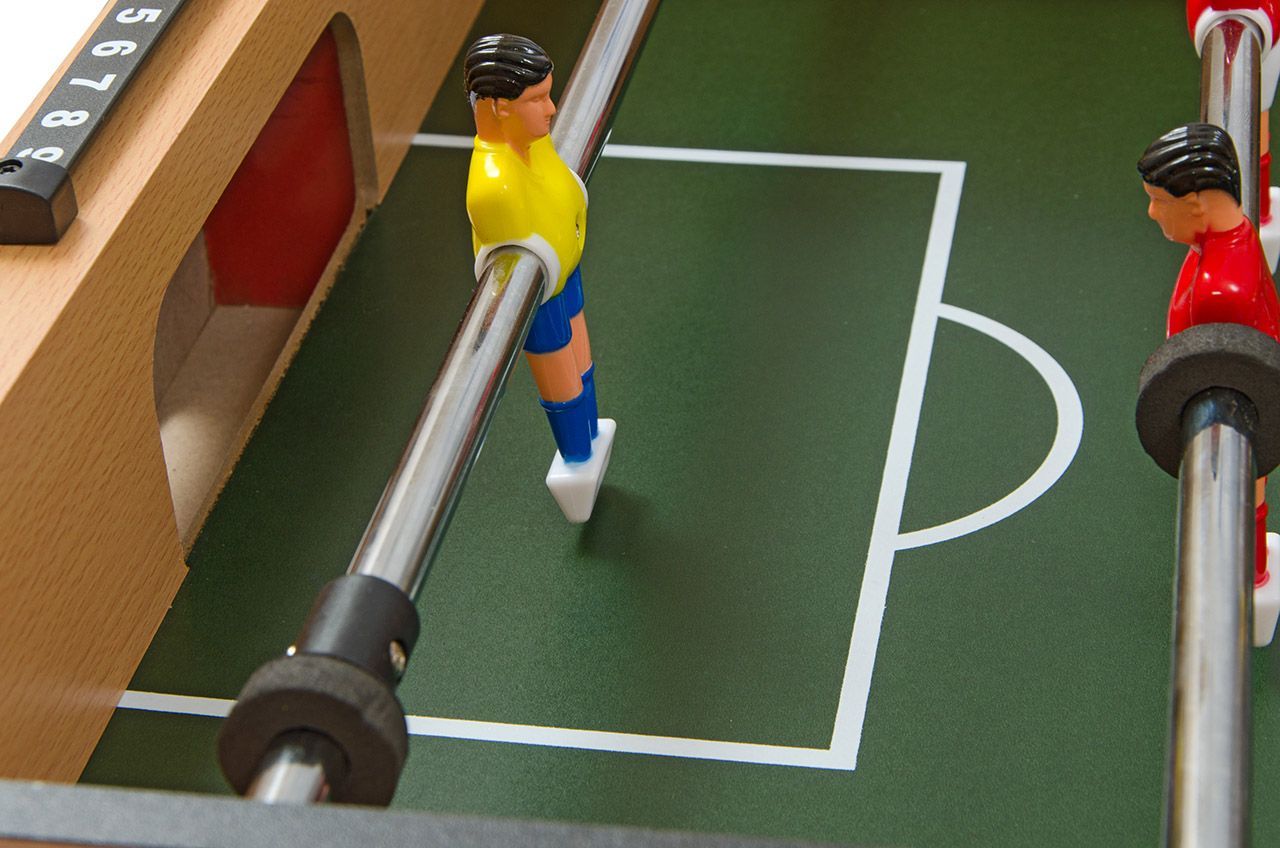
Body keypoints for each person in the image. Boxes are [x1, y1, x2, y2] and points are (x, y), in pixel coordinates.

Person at [463, 33, 615, 522]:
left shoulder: (533, 142)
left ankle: (589, 440)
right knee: (563, 379)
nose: (552, 110)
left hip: (566, 271)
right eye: (537, 99)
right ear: (497, 107)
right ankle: (578, 457)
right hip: (540, 295)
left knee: (583, 363)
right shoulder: (494, 188)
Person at [1138, 122, 1280, 606]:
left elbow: (1208, 364)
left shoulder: (1219, 294)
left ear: (1197, 204)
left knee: (1243, 493)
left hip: (1238, 414)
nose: (1152, 213)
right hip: (1252, 379)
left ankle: (1243, 576)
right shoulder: (1229, 238)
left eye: (1160, 201)